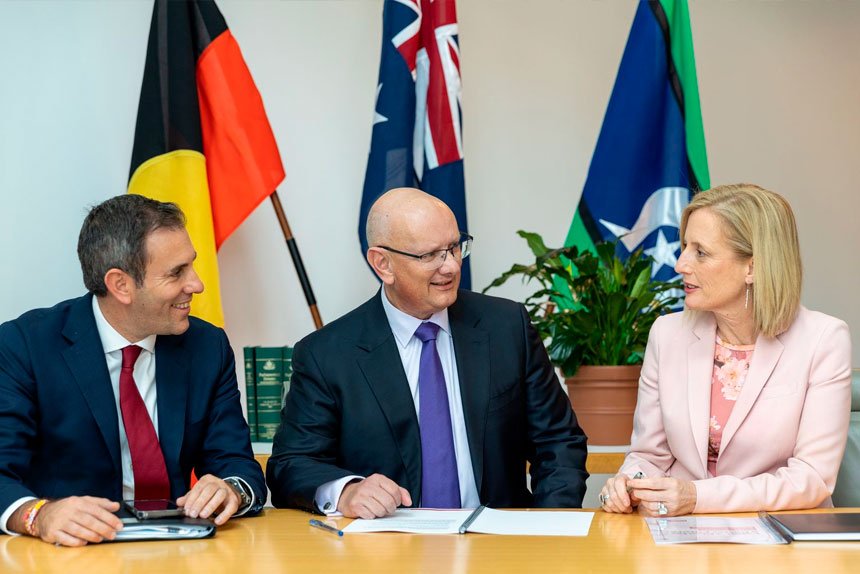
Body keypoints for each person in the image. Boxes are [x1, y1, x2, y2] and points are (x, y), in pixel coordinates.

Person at [266, 188, 588, 518]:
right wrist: (346, 491)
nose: (450, 266)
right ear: (383, 264)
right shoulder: (327, 354)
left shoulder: (506, 327)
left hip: (497, 547)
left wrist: (550, 527)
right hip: (386, 551)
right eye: (429, 255)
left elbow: (558, 440)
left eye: (454, 247)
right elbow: (291, 465)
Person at [0, 195, 265, 546]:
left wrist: (231, 489)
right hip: (71, 554)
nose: (197, 284)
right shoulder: (24, 346)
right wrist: (37, 514)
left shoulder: (207, 346)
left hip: (180, 549)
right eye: (176, 273)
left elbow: (237, 464)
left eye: (191, 266)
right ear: (121, 284)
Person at [599, 184, 852, 517]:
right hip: (677, 540)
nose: (680, 264)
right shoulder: (667, 334)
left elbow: (811, 477)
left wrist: (699, 497)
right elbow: (650, 456)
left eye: (700, 252)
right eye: (684, 247)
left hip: (781, 539)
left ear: (753, 267)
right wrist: (629, 483)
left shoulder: (823, 339)